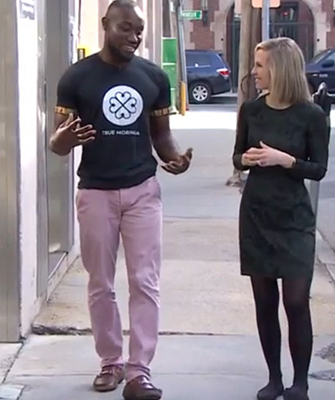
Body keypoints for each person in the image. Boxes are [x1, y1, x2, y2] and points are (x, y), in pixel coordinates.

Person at [48, 0, 193, 399]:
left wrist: (174, 158)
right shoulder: (77, 78)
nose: (134, 37)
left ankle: (139, 371)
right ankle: (110, 362)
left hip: (142, 190)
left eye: (139, 30)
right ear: (105, 24)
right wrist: (64, 139)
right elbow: (58, 142)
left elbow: (161, 135)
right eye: (125, 28)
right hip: (95, 191)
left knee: (145, 281)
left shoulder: (152, 77)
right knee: (100, 283)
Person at [232, 37, 329, 400]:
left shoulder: (311, 115)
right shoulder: (251, 111)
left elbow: (318, 168)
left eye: (260, 65)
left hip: (293, 217)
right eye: (255, 65)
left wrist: (284, 159)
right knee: (264, 301)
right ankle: (274, 378)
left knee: (295, 301)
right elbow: (237, 156)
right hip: (257, 213)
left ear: (279, 68)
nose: (254, 72)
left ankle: (300, 382)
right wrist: (249, 160)